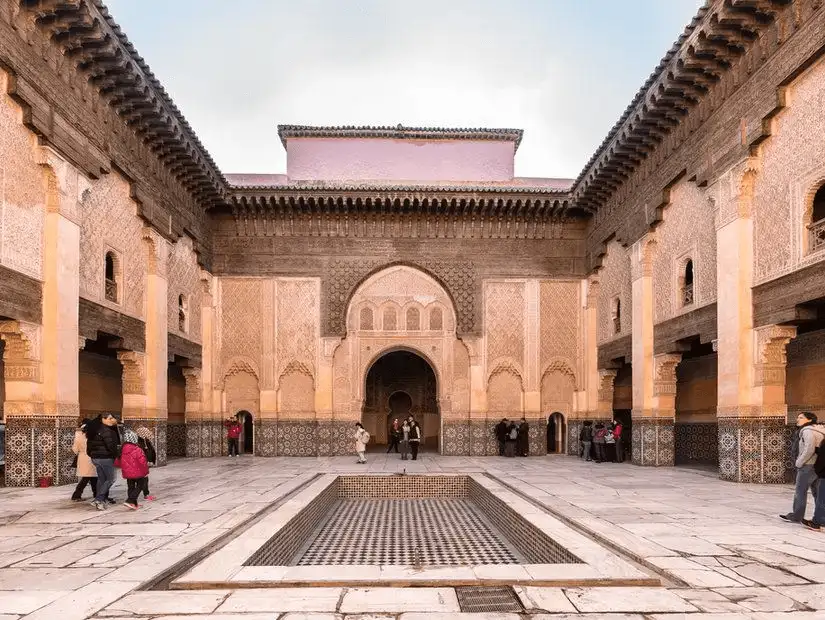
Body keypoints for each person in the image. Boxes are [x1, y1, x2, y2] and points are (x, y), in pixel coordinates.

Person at [780, 412, 825, 528]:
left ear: (809, 420)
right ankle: (820, 517)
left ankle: (797, 515)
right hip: (818, 466)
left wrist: (799, 462)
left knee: (800, 491)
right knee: (817, 493)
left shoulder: (807, 431)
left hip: (807, 466)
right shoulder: (819, 430)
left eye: (801, 417)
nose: (797, 419)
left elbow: (809, 449)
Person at [85, 412, 120, 510]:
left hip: (95, 458)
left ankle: (100, 500)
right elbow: (111, 446)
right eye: (109, 418)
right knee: (111, 479)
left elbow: (88, 446)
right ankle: (98, 499)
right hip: (106, 458)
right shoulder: (106, 431)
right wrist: (115, 456)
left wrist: (92, 455)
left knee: (102, 479)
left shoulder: (94, 430)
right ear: (103, 419)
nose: (111, 420)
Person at [119, 428, 150, 510]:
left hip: (127, 472)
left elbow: (118, 461)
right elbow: (142, 462)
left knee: (131, 486)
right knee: (140, 485)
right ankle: (130, 500)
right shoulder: (137, 449)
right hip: (138, 472)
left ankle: (133, 504)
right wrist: (146, 471)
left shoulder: (123, 449)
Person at [70, 419, 97, 501]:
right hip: (92, 458)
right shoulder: (94, 435)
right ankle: (76, 495)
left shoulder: (78, 436)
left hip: (82, 458)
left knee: (92, 477)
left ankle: (96, 494)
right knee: (88, 477)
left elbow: (75, 449)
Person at [135, 427, 157, 501]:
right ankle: (142, 495)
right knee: (143, 479)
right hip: (142, 463)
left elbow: (151, 451)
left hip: (146, 463)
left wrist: (152, 460)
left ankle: (144, 494)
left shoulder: (146, 441)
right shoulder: (139, 443)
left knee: (144, 479)